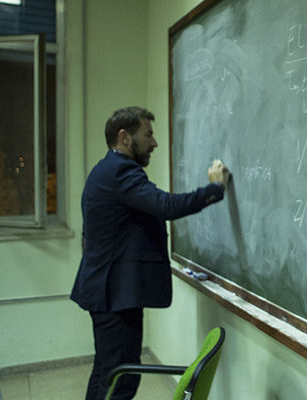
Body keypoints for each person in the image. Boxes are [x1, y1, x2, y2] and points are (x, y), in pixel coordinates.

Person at [70, 106, 230, 400]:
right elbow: (166, 206)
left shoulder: (105, 170)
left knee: (107, 373)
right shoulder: (121, 171)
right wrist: (215, 189)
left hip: (108, 292)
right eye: (148, 134)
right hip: (114, 296)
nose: (154, 142)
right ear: (124, 137)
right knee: (121, 381)